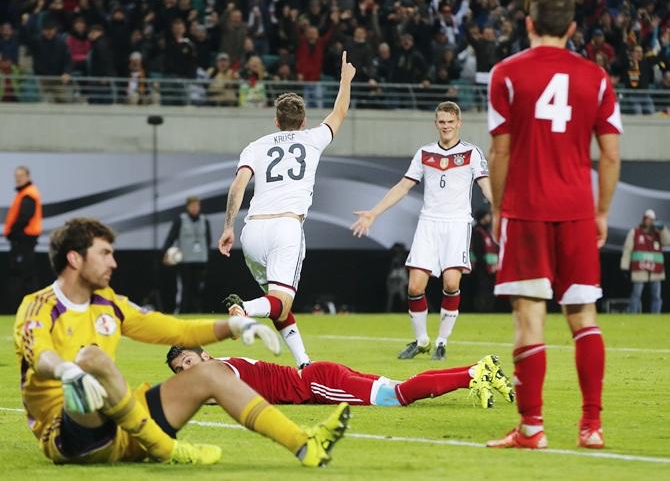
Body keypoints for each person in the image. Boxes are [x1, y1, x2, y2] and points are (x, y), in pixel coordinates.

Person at [13, 218, 349, 467]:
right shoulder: (39, 305)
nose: (113, 262)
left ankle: (304, 443)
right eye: (104, 253)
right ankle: (166, 449)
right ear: (74, 259)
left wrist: (231, 326)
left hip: (123, 427)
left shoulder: (110, 303)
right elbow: (40, 354)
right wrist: (66, 371)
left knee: (212, 372)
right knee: (90, 358)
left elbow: (176, 331)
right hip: (70, 435)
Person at [486, 0, 622, 450]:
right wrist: (601, 210)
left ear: (528, 23)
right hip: (577, 212)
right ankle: (592, 426)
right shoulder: (597, 77)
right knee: (584, 315)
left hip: (526, 210)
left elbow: (499, 149)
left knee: (529, 320)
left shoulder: (506, 74)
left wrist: (498, 209)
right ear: (571, 28)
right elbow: (610, 155)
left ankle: (532, 428)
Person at [218, 51, 356, 369]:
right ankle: (243, 311)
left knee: (277, 305)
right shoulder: (313, 139)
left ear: (276, 120)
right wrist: (345, 80)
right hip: (286, 228)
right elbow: (340, 111)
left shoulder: (256, 146)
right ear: (303, 121)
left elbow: (238, 185)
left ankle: (304, 362)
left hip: (252, 230)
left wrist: (228, 227)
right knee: (279, 301)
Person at [351, 101, 492, 361]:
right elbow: (402, 187)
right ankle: (422, 340)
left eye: (450, 122)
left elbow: (485, 185)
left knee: (451, 282)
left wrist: (501, 208)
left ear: (459, 123)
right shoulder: (425, 153)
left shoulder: (472, 153)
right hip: (428, 223)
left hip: (457, 223)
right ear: (436, 124)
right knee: (415, 287)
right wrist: (373, 212)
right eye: (442, 122)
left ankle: (442, 341)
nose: (446, 126)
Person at [166, 347, 515, 409]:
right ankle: (477, 371)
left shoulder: (216, 371)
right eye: (180, 369)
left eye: (188, 361)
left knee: (399, 396)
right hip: (320, 374)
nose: (187, 371)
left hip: (316, 384)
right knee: (398, 388)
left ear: (205, 356)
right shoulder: (217, 367)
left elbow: (211, 394)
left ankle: (471, 373)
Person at [162, 196, 212, 314]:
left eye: (197, 205)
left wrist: (207, 256)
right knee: (184, 288)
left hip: (200, 260)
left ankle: (197, 312)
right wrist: (165, 253)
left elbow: (208, 240)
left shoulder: (204, 220)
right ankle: (181, 311)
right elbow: (171, 237)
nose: (195, 208)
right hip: (185, 260)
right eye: (192, 206)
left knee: (198, 288)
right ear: (188, 207)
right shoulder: (181, 219)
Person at [4, 166, 42, 311]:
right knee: (26, 275)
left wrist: (12, 232)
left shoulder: (29, 194)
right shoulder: (24, 193)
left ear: (28, 176)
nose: (18, 178)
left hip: (24, 240)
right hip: (23, 240)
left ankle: (23, 308)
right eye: (16, 176)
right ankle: (29, 308)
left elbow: (25, 217)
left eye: (21, 175)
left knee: (22, 276)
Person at [620, 209, 670, 313]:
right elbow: (627, 249)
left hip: (655, 269)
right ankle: (633, 315)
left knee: (656, 295)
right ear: (644, 219)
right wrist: (624, 266)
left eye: (652, 219)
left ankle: (655, 316)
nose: (649, 221)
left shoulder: (658, 233)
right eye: (647, 219)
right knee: (636, 294)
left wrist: (663, 229)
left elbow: (668, 242)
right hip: (640, 268)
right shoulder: (635, 232)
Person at [471, 208, 499, 313]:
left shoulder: (487, 231)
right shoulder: (478, 231)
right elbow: (478, 251)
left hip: (490, 268)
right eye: (488, 215)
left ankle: (488, 309)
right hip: (481, 267)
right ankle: (481, 309)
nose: (490, 218)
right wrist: (483, 263)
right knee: (482, 289)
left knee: (488, 290)